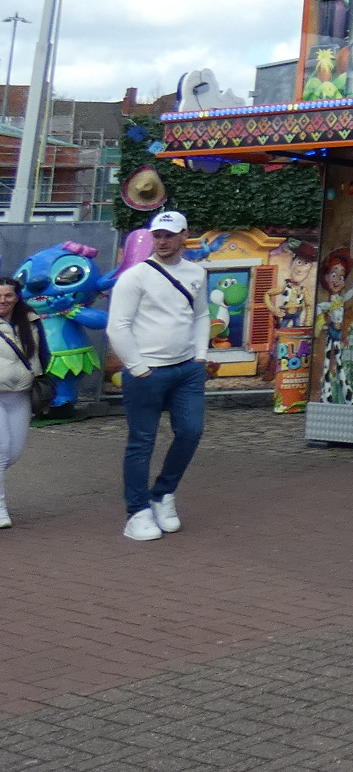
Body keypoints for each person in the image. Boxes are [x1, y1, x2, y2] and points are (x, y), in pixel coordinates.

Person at [106, 210, 211, 543]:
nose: (162, 242)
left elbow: (201, 314)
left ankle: (163, 493)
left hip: (187, 369)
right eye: (158, 236)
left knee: (191, 431)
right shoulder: (135, 276)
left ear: (184, 236)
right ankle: (136, 511)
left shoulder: (196, 272)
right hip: (148, 371)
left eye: (169, 235)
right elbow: (117, 326)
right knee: (142, 441)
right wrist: (137, 366)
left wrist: (200, 355)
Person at [0, 275, 39, 528]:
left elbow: (41, 352)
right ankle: (0, 508)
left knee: (13, 454)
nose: (3, 300)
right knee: (1, 450)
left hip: (20, 393)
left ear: (17, 297)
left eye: (8, 295)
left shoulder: (31, 320)